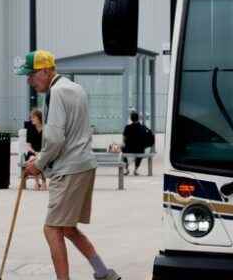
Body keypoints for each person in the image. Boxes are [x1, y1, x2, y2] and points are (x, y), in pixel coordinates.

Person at [18, 50, 121, 280]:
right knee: (66, 227)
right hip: (83, 164)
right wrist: (43, 157)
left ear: (45, 71)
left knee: (52, 228)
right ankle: (103, 272)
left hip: (69, 169)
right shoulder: (74, 88)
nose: (29, 81)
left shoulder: (55, 92)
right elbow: (68, 134)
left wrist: (39, 164)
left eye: (31, 75)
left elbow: (55, 138)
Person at [122, 111, 150, 176]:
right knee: (141, 150)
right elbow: (146, 139)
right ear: (138, 118)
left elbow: (124, 138)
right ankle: (136, 169)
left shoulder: (127, 127)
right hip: (139, 149)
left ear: (131, 119)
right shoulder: (143, 127)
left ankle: (126, 169)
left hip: (129, 149)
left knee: (122, 150)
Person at [25, 108, 47, 190]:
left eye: (33, 117)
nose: (32, 119)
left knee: (41, 158)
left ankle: (44, 182)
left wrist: (41, 152)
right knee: (33, 159)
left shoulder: (46, 128)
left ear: (39, 118)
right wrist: (35, 152)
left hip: (43, 151)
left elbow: (48, 144)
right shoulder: (30, 128)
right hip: (32, 152)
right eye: (31, 117)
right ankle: (37, 182)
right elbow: (28, 145)